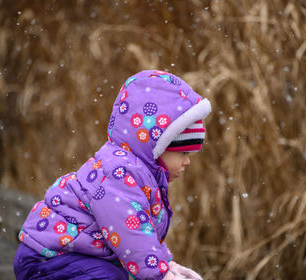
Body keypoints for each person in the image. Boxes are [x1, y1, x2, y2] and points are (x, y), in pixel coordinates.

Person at [14, 70, 211, 280]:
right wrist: (160, 275)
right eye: (183, 153)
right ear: (160, 143)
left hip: (68, 257)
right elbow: (131, 235)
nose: (187, 162)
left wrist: (165, 263)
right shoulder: (120, 174)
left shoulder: (139, 174)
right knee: (109, 277)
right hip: (50, 259)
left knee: (112, 273)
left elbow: (143, 231)